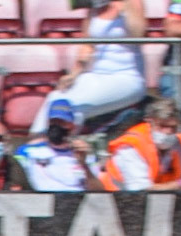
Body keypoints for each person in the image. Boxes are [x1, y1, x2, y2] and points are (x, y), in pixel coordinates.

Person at [30, 0, 148, 138]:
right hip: (96, 74)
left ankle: (62, 146)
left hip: (126, 77)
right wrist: (74, 74)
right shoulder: (95, 7)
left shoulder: (133, 3)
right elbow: (87, 45)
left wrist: (126, 7)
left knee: (73, 106)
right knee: (55, 97)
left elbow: (139, 34)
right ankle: (35, 143)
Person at [102, 97, 181, 190]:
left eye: (173, 127)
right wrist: (180, 184)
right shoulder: (131, 145)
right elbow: (140, 191)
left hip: (164, 203)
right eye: (163, 126)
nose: (168, 132)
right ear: (150, 122)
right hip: (116, 202)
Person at [16, 100, 104, 191]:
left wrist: (84, 165)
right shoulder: (28, 152)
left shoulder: (87, 155)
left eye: (61, 122)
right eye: (53, 122)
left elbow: (99, 191)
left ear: (72, 126)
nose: (56, 126)